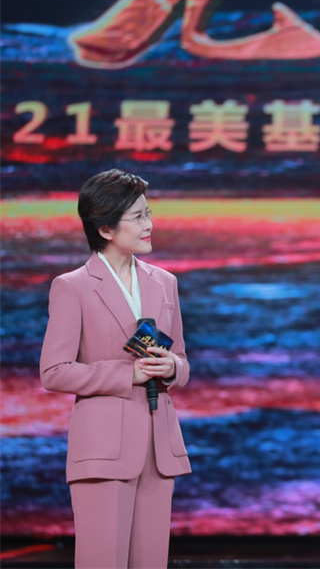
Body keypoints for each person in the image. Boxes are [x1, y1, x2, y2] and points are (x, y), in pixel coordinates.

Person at [40, 169, 191, 568]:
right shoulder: (72, 286)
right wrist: (128, 374)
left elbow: (182, 361)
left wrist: (171, 367)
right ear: (105, 228)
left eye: (148, 213)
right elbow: (54, 371)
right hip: (102, 451)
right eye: (138, 217)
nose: (149, 225)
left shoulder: (165, 283)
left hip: (158, 447)